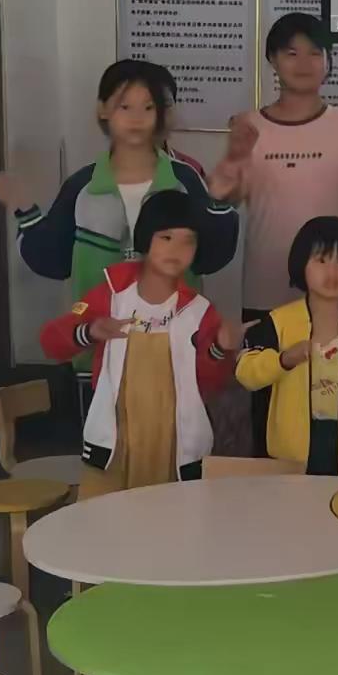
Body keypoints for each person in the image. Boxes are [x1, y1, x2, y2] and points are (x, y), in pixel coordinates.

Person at [207, 12, 338, 451]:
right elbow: (226, 199)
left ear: (328, 62)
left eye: (315, 53)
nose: (304, 63)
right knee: (268, 405)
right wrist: (235, 156)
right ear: (272, 61)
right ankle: (272, 486)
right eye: (291, 52)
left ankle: (336, 484)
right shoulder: (250, 126)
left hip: (335, 291)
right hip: (266, 291)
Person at [0, 59, 238, 303]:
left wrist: (220, 204)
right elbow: (54, 262)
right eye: (125, 106)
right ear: (103, 109)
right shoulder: (81, 186)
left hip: (174, 332)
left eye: (148, 107)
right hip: (97, 332)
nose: (136, 118)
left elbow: (209, 259)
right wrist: (24, 208)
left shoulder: (185, 180)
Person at [40, 191, 242, 496]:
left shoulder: (200, 311)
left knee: (171, 521)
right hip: (114, 444)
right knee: (103, 520)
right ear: (146, 238)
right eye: (166, 238)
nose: (176, 250)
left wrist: (219, 348)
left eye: (188, 241)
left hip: (174, 448)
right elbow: (51, 341)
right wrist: (89, 331)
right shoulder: (109, 295)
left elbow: (209, 383)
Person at [236, 217, 338, 476]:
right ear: (301, 263)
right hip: (288, 458)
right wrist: (283, 360)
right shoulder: (278, 322)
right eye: (321, 260)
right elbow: (246, 373)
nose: (332, 272)